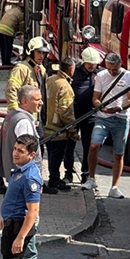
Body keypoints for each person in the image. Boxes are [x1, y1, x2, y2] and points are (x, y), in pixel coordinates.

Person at [0, 134, 55, 259]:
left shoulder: (30, 178)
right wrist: (4, 216)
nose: (15, 153)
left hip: (18, 227)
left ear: (32, 155)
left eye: (21, 151)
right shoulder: (20, 169)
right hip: (11, 224)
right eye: (15, 149)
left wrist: (20, 238)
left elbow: (33, 211)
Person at [0, 37, 50, 195]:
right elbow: (11, 90)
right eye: (39, 52)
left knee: (36, 146)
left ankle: (29, 178)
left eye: (44, 53)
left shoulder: (41, 69)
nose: (41, 56)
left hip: (35, 116)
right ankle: (24, 180)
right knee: (22, 149)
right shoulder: (22, 68)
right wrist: (16, 113)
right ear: (31, 52)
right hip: (24, 118)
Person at [83, 52, 130, 198]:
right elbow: (95, 97)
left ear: (120, 65)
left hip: (121, 118)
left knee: (119, 153)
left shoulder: (128, 76)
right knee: (94, 145)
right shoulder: (101, 76)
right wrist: (100, 106)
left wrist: (120, 108)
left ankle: (114, 187)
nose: (112, 72)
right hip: (103, 117)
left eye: (115, 69)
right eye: (109, 69)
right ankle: (91, 178)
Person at [44, 58, 79, 193]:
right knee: (57, 156)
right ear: (71, 69)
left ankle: (53, 178)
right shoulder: (65, 86)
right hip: (59, 129)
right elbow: (66, 111)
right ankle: (54, 180)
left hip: (47, 125)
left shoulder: (51, 80)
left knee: (52, 154)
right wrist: (72, 129)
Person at [72, 47, 102, 184]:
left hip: (91, 115)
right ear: (83, 62)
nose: (91, 66)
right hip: (74, 114)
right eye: (89, 63)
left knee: (88, 146)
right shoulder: (75, 72)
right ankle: (68, 172)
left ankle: (85, 173)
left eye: (94, 63)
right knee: (69, 144)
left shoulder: (100, 74)